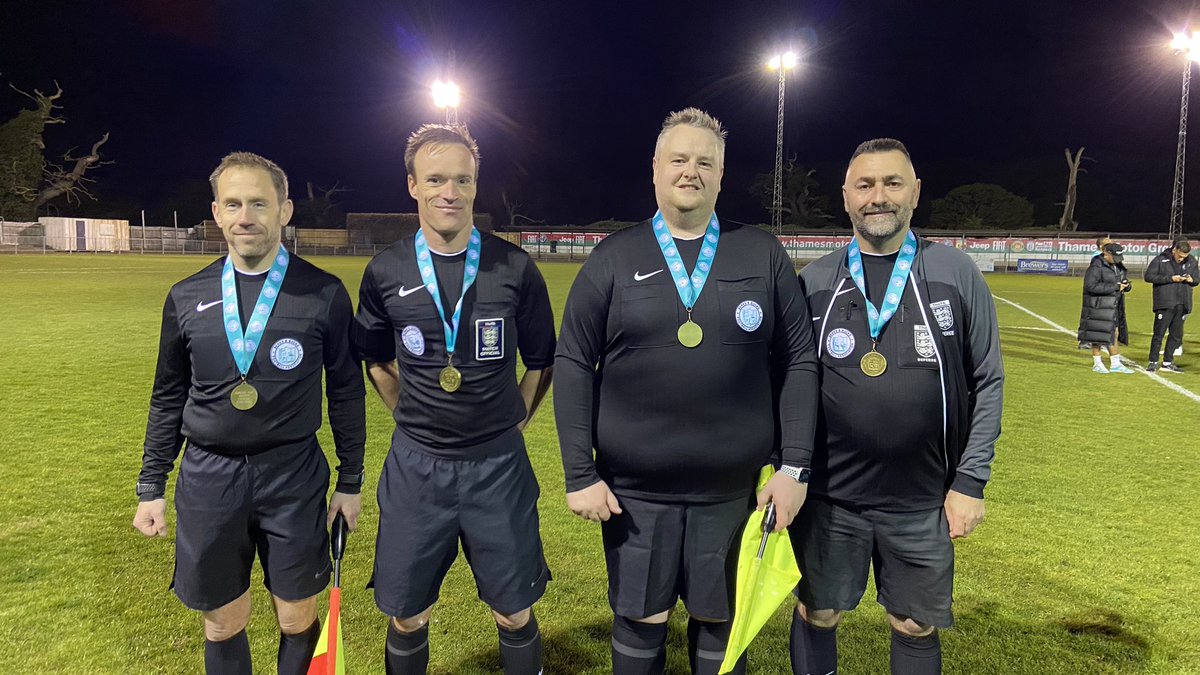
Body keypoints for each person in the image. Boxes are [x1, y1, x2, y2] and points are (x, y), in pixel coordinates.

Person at [554, 108, 819, 675]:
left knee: (719, 622)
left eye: (706, 162)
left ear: (722, 175)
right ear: (655, 169)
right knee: (641, 622)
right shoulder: (613, 258)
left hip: (733, 493)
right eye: (679, 159)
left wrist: (794, 467)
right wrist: (579, 472)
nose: (691, 171)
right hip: (634, 495)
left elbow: (798, 360)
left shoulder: (762, 254)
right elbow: (573, 361)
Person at [132, 152, 367, 675]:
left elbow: (347, 391)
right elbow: (168, 394)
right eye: (234, 204)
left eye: (259, 203)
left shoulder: (323, 292)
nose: (246, 216)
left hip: (293, 474)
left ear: (284, 210)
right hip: (208, 476)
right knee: (221, 622)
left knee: (296, 614)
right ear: (216, 212)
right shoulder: (187, 295)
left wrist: (350, 480)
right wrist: (151, 486)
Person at [790, 138, 1004, 675]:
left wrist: (970, 482)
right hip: (830, 498)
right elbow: (787, 386)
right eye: (865, 185)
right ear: (846, 197)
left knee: (914, 623)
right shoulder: (815, 282)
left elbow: (989, 380)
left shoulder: (956, 273)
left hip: (924, 499)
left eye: (891, 183)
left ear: (915, 191)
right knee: (819, 611)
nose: (877, 196)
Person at [352, 123, 556, 675]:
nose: (450, 191)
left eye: (462, 180)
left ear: (474, 185)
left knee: (513, 611)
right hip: (417, 468)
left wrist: (514, 425)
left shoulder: (514, 267)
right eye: (436, 179)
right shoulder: (386, 270)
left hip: (498, 467)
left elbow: (542, 360)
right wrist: (410, 417)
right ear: (413, 185)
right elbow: (374, 358)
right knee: (406, 614)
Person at [1144, 238, 1198, 373]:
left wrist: (1192, 280)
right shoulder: (1160, 260)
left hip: (1183, 303)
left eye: (1184, 257)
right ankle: (1153, 361)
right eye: (1179, 256)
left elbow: (1197, 280)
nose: (1181, 259)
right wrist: (1170, 278)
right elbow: (1149, 276)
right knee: (1159, 334)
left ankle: (1168, 362)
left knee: (1175, 335)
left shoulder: (1191, 261)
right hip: (1165, 303)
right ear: (1174, 250)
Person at [1078, 242, 1134, 373]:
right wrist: (1115, 287)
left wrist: (1127, 286)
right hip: (1097, 305)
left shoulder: (1118, 266)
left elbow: (1122, 280)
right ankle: (1097, 363)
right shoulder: (1095, 267)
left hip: (1113, 305)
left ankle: (1115, 363)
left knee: (1114, 332)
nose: (1116, 261)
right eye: (1114, 257)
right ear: (1106, 253)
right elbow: (1090, 286)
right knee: (1097, 334)